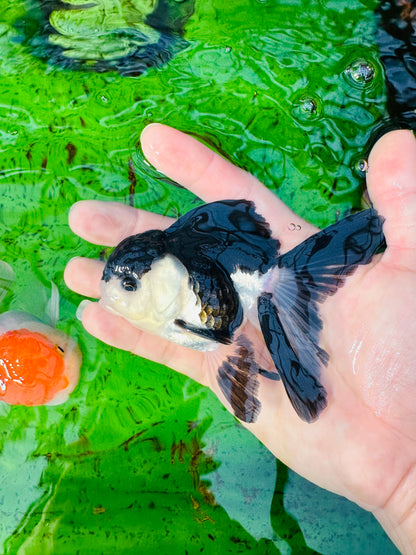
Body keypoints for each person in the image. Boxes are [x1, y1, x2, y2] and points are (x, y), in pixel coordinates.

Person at [64, 123, 416, 555]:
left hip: (242, 293)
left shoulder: (213, 295)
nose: (115, 297)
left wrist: (406, 489)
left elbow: (218, 332)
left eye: (130, 287)